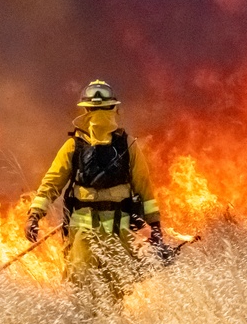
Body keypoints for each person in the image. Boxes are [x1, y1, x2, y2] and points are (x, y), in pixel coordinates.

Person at [25, 80, 166, 311]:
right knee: (98, 291)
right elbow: (145, 190)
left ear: (84, 111)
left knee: (100, 291)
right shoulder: (121, 146)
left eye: (103, 110)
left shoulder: (80, 146)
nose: (100, 115)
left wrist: (34, 215)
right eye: (97, 110)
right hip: (109, 236)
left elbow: (51, 183)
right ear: (115, 109)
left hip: (90, 237)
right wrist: (156, 228)